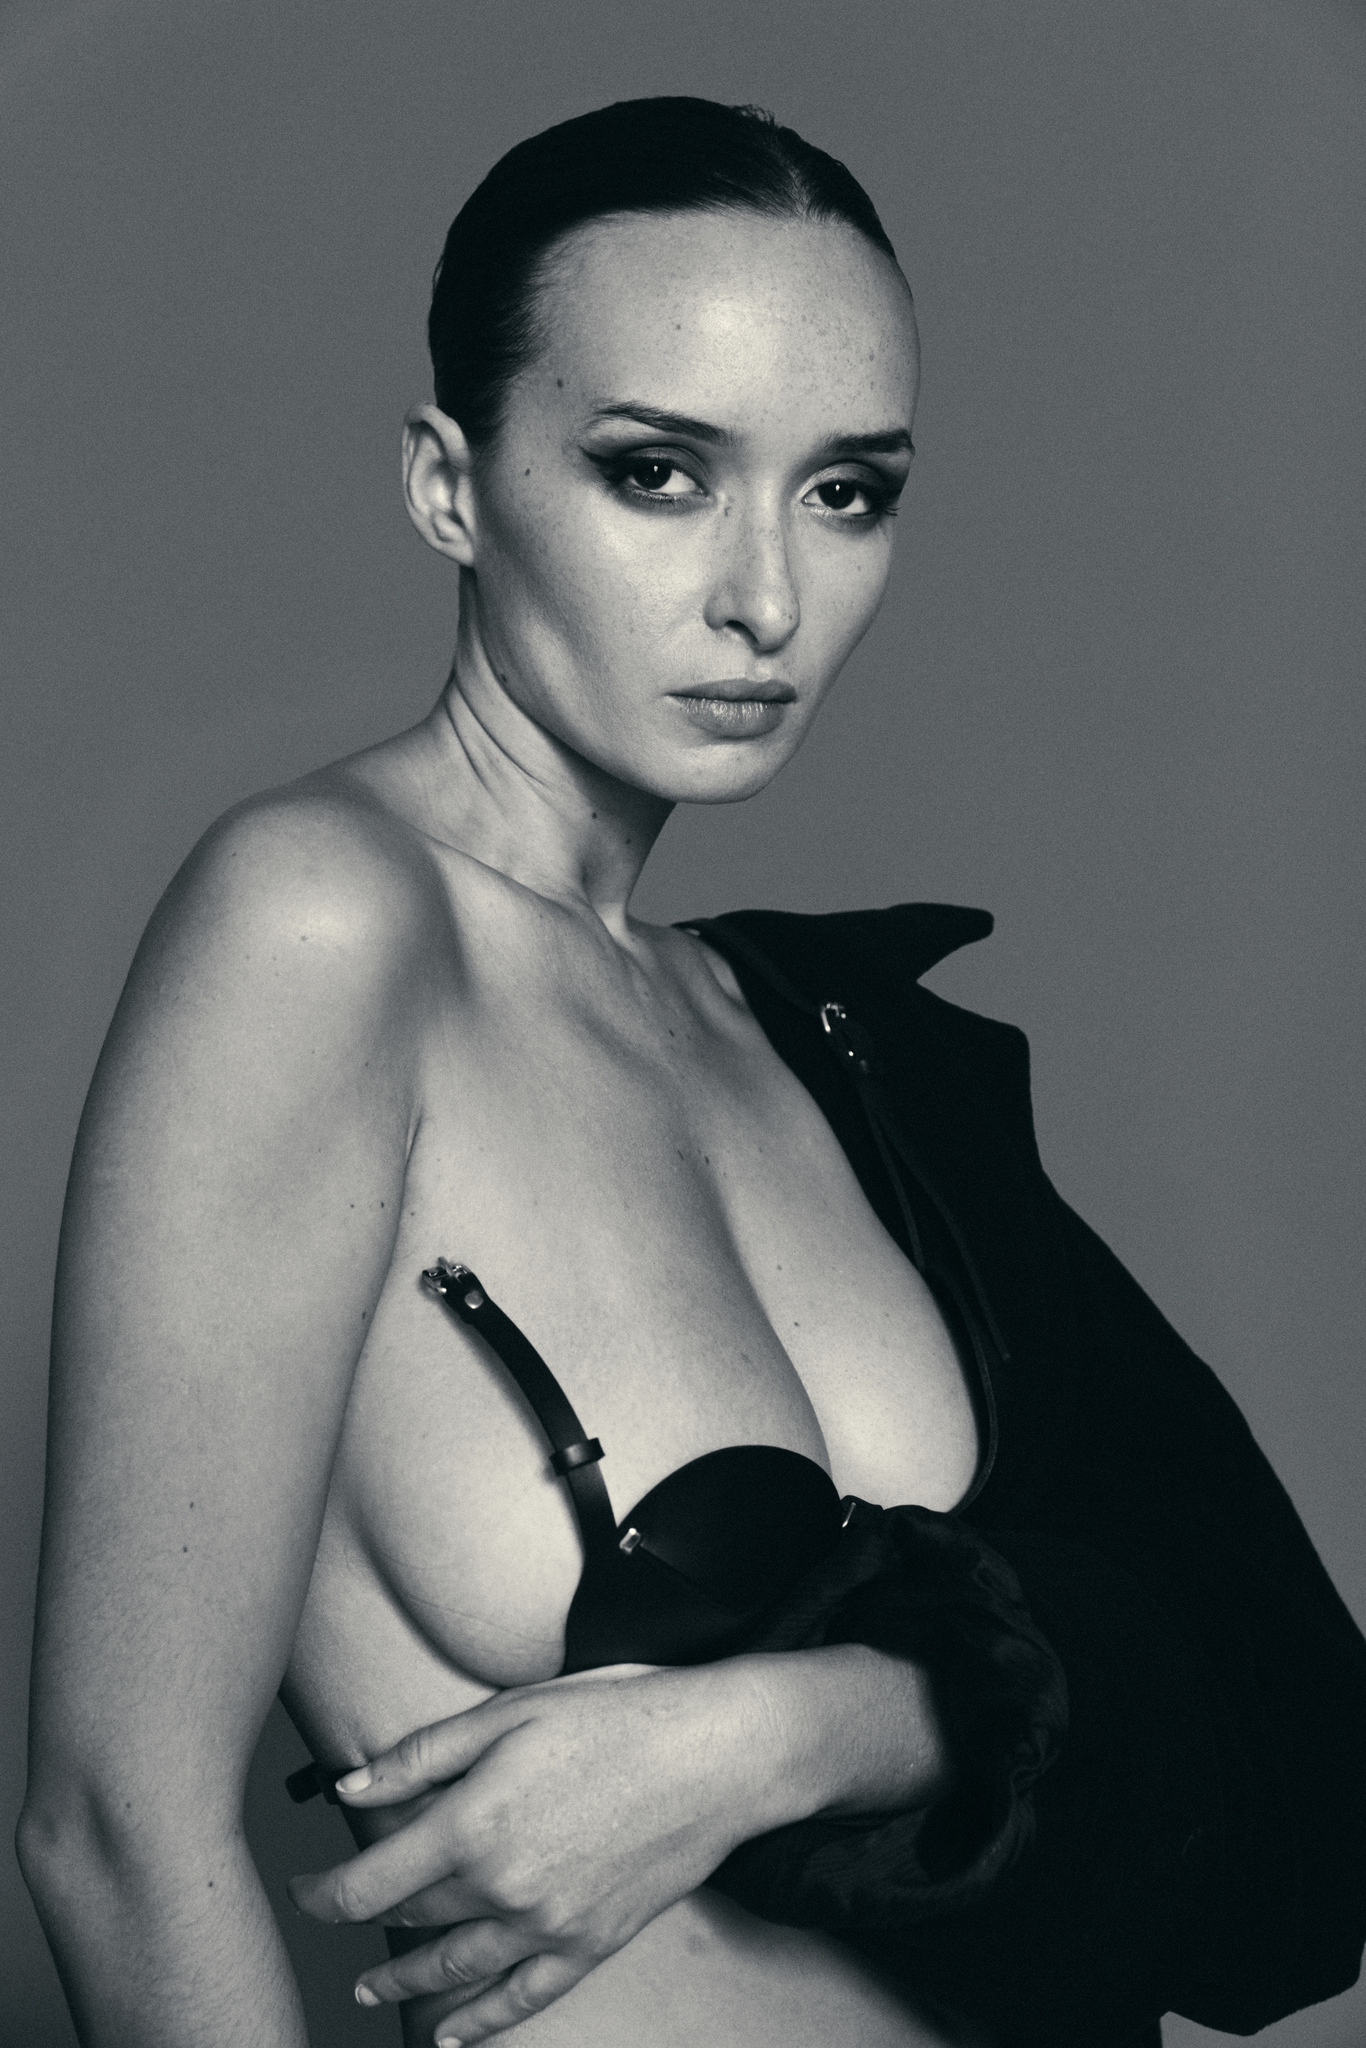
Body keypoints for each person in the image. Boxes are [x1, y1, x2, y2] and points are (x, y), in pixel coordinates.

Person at [17, 97, 1366, 2048]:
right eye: (657, 474)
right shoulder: (319, 922)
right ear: (449, 487)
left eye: (846, 492)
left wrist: (793, 1727)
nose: (765, 598)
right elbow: (114, 1828)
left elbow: (1275, 1722)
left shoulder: (809, 1036)